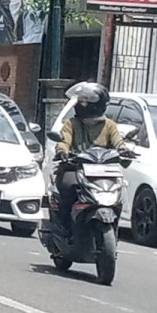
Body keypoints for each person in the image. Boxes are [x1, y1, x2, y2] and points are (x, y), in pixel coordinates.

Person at [52, 81, 124, 227]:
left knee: (119, 194)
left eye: (84, 102)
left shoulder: (109, 125)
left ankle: (114, 226)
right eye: (80, 101)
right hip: (75, 168)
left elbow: (118, 142)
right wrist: (62, 152)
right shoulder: (71, 124)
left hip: (104, 172)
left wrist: (124, 151)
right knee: (68, 187)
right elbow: (64, 141)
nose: (80, 104)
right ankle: (65, 225)